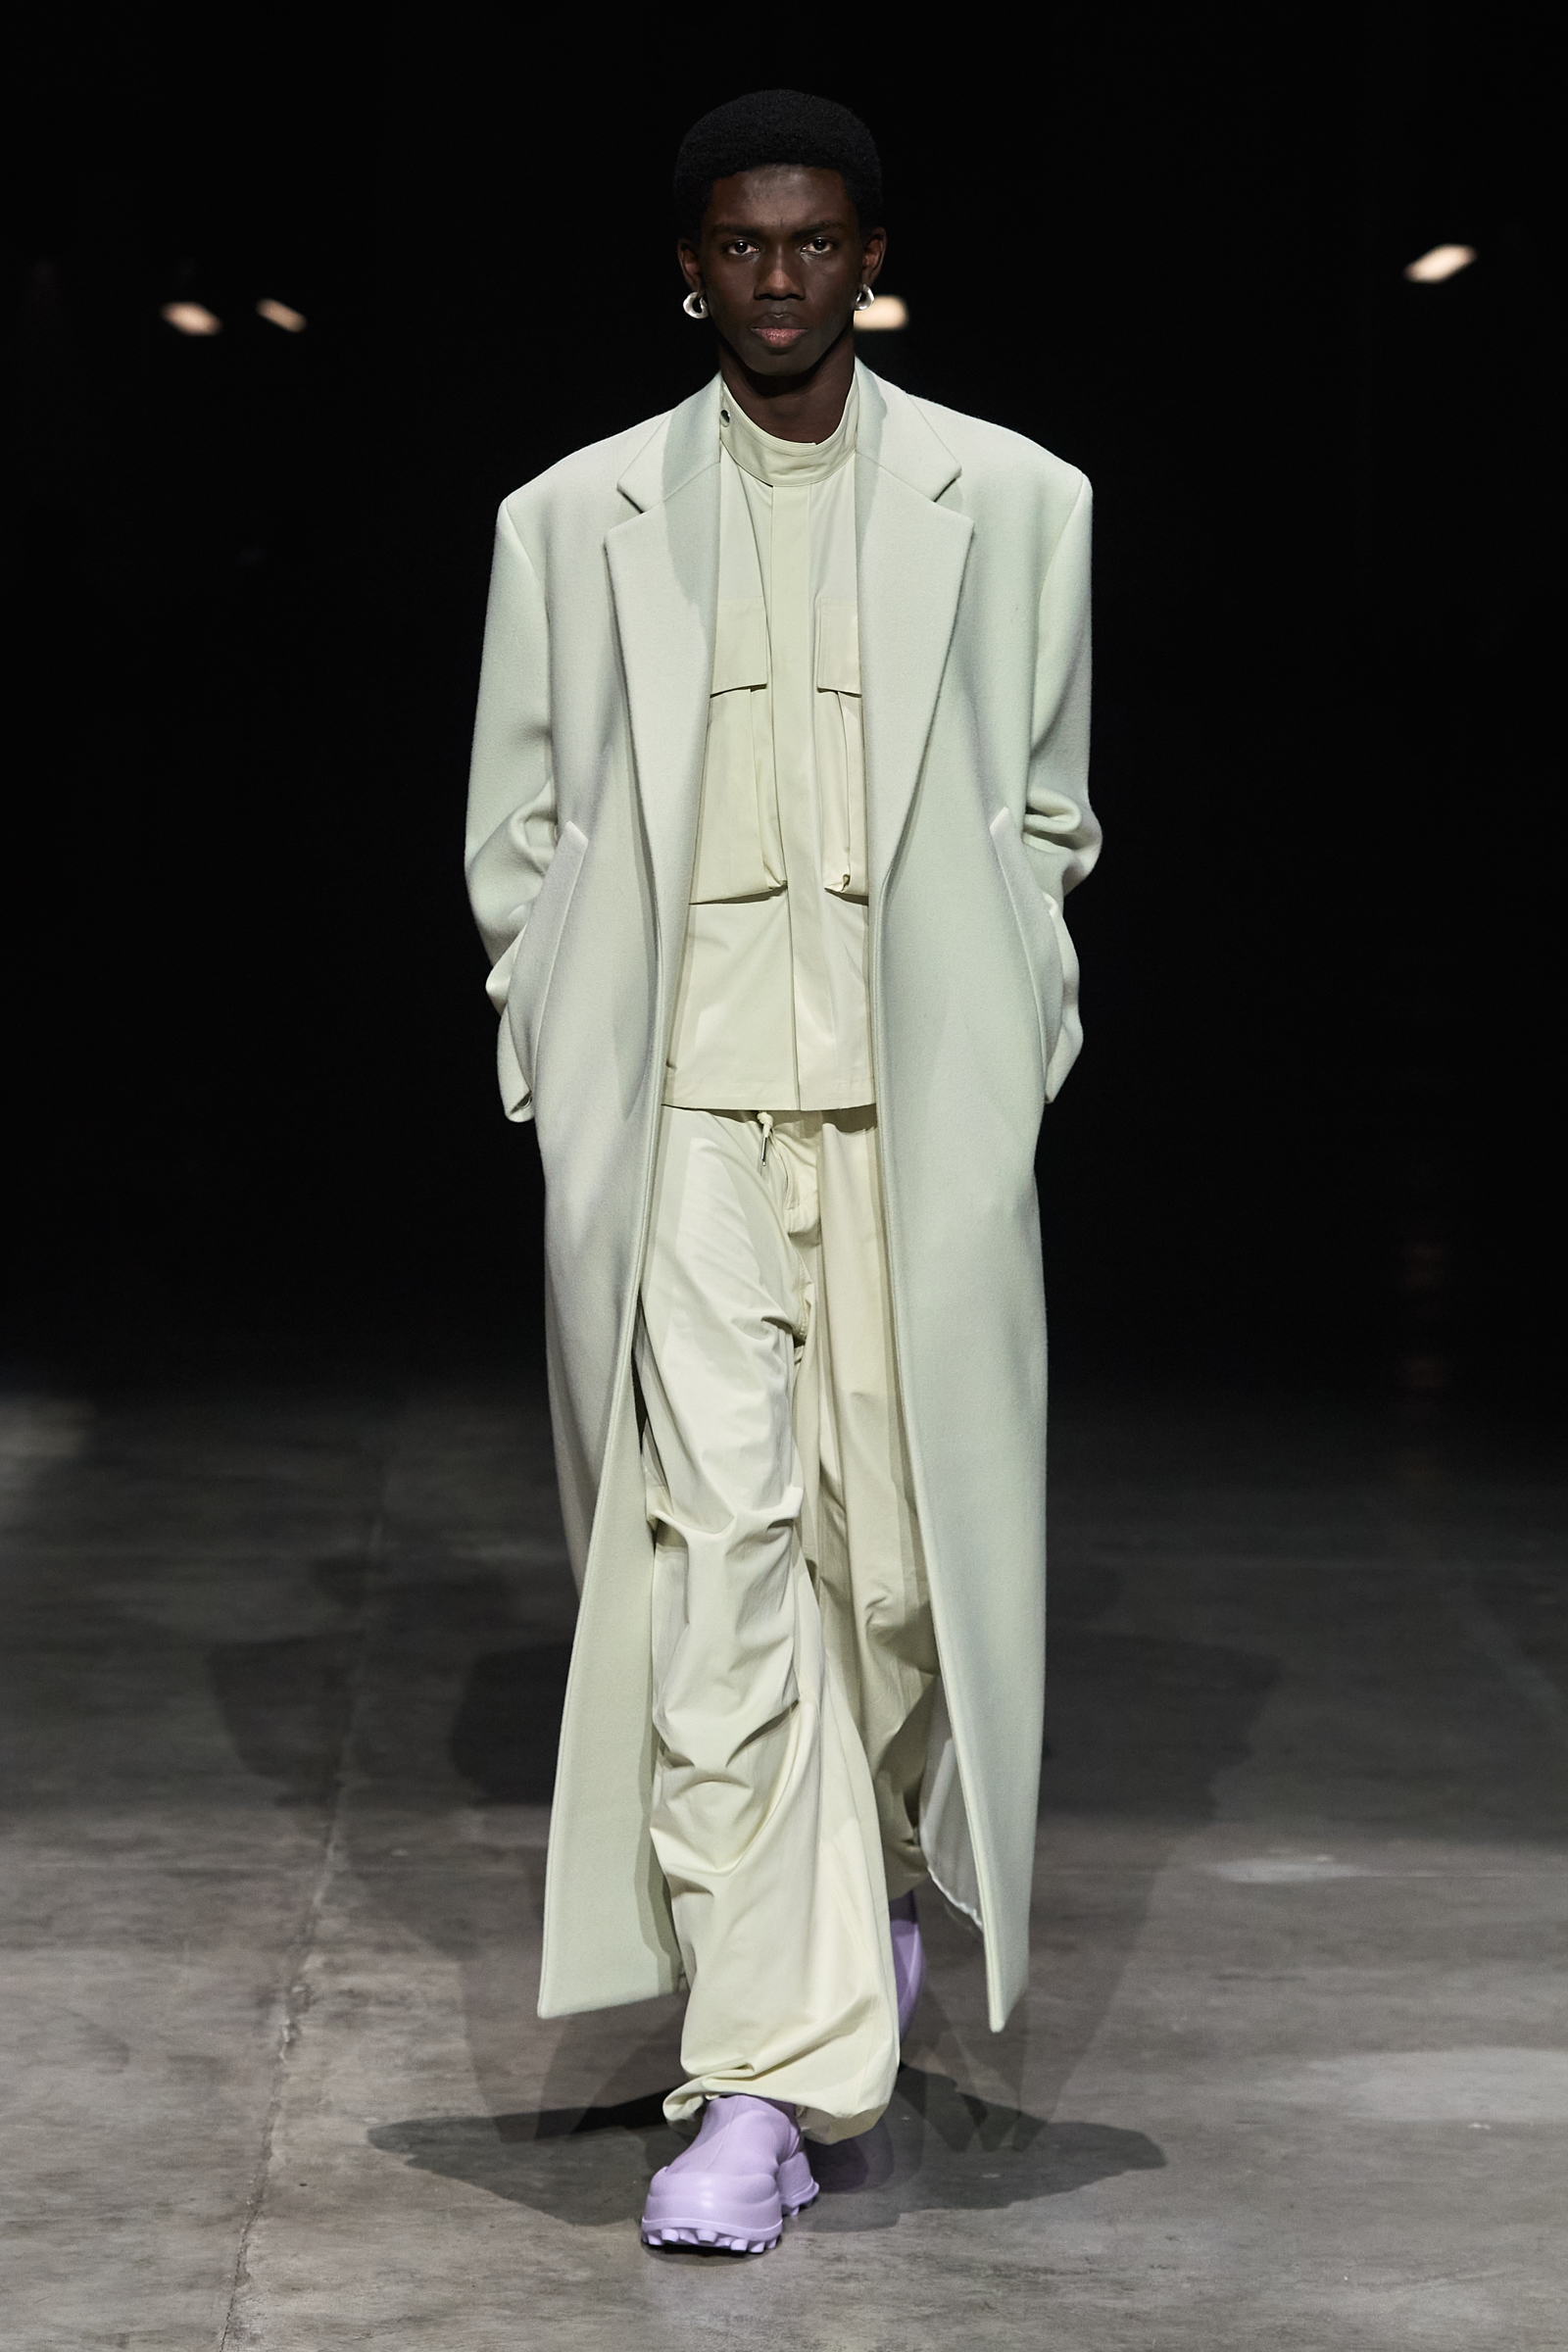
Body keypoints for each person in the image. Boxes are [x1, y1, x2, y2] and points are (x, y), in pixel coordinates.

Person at [465, 87, 1099, 2255]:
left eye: (814, 241)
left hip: (914, 1121)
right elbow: (519, 831)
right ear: (689, 267)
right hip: (683, 1129)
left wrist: (1020, 1021)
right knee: (719, 1570)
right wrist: (552, 1036)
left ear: (869, 256)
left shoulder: (1015, 503)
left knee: (899, 1582)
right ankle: (756, 2082)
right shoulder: (572, 519)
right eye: (740, 244)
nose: (777, 278)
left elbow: (1046, 812)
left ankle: (867, 1896)